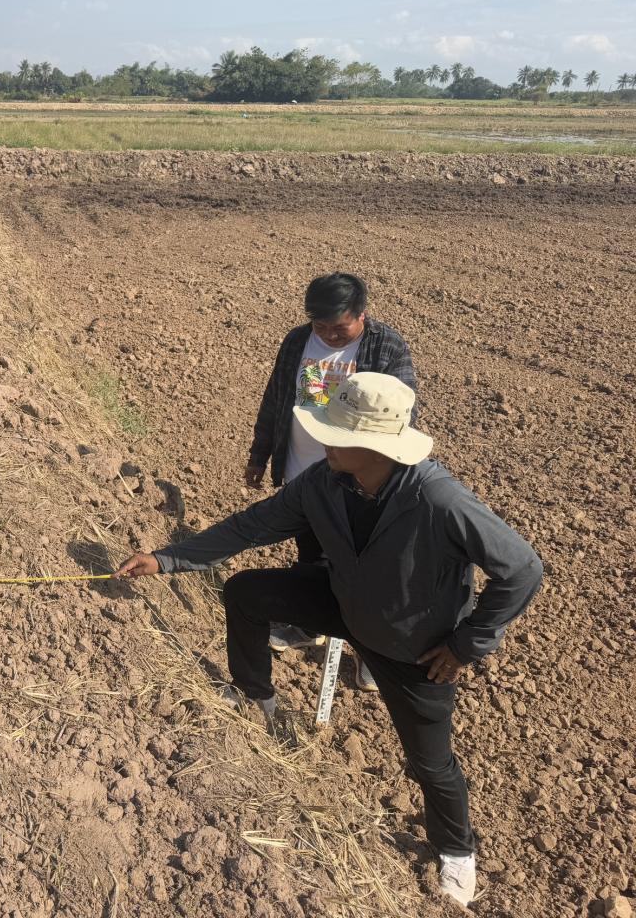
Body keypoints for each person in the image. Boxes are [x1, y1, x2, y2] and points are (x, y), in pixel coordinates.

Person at [117, 373, 542, 908]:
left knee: (430, 763)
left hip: (415, 648)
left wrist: (465, 645)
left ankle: (456, 850)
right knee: (247, 593)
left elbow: (522, 568)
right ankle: (257, 697)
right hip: (344, 604)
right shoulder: (326, 481)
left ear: (373, 446)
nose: (321, 441)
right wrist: (166, 558)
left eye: (333, 433)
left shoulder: (437, 500)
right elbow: (253, 526)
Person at [246, 272, 417, 692]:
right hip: (302, 471)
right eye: (320, 327)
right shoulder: (296, 342)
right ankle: (308, 625)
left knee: (365, 572)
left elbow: (401, 416)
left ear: (361, 316)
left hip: (357, 481)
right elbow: (276, 397)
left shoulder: (385, 347)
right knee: (312, 556)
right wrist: (260, 454)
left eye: (339, 328)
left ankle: (372, 655)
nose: (329, 336)